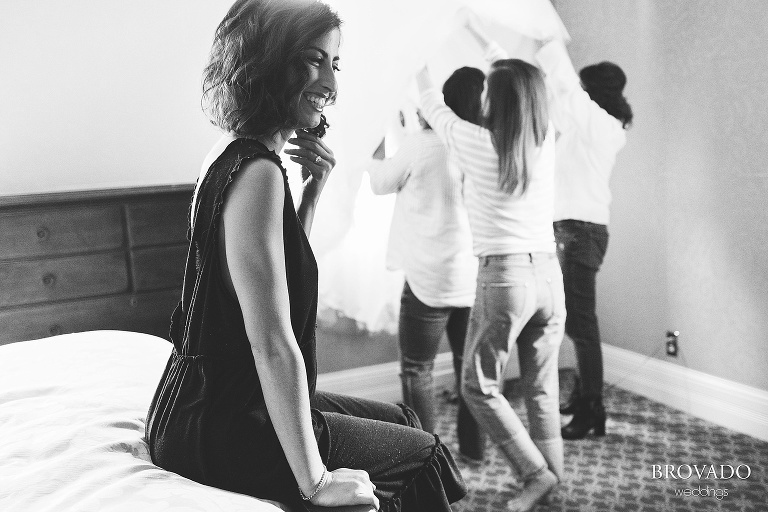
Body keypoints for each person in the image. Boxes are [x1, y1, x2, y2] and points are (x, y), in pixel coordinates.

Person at [145, 1, 466, 511]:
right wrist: (315, 481)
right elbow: (271, 340)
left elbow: (282, 278)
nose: (330, 85)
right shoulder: (258, 174)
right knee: (423, 452)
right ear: (264, 63)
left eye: (333, 64)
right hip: (224, 419)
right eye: (310, 60)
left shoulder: (234, 155)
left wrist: (313, 192)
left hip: (201, 404)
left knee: (403, 420)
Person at [415, 16, 566, 512]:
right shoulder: (546, 141)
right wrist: (482, 33)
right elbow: (518, 76)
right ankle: (553, 475)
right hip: (549, 274)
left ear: (492, 102)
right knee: (541, 387)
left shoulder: (476, 143)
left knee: (477, 388)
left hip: (506, 278)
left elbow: (430, 102)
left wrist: (415, 52)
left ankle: (535, 474)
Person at [367, 66, 486, 463]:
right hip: (471, 276)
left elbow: (382, 182)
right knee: (469, 368)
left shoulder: (421, 146)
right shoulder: (484, 144)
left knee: (417, 369)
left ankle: (429, 459)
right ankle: (474, 449)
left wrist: (374, 150)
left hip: (428, 279)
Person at [534, 37, 633, 440]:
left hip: (582, 233)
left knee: (583, 326)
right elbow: (562, 100)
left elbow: (568, 92)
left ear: (595, 91)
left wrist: (549, 38)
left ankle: (593, 409)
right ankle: (583, 397)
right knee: (576, 321)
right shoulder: (585, 127)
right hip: (571, 231)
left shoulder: (603, 127)